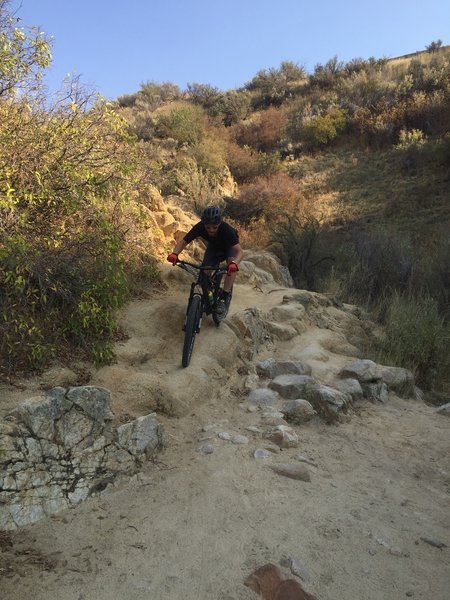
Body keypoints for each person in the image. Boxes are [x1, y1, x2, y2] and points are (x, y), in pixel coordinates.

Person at [167, 206, 243, 314]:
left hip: (228, 247)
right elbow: (183, 242)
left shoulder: (227, 230)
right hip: (213, 247)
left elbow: (240, 251)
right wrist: (174, 254)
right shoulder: (199, 227)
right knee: (205, 273)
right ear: (204, 224)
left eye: (215, 227)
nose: (211, 230)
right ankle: (208, 295)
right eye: (208, 227)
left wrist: (234, 264)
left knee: (231, 266)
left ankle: (223, 298)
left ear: (220, 223)